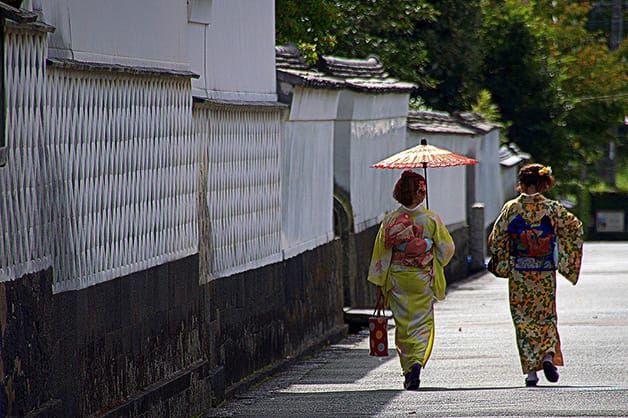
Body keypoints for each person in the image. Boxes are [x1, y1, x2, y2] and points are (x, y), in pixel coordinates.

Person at [488, 163, 584, 387]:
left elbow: (497, 238)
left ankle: (531, 372)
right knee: (546, 317)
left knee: (523, 321)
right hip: (544, 273)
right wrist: (563, 258)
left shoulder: (511, 208)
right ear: (543, 183)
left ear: (521, 183)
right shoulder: (551, 208)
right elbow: (574, 228)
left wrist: (503, 260)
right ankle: (548, 355)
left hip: (520, 274)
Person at [367, 170, 455, 390]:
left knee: (403, 325)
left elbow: (381, 253)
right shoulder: (431, 218)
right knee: (423, 322)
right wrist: (428, 247)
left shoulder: (390, 220)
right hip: (422, 277)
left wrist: (380, 282)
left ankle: (408, 368)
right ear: (420, 193)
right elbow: (447, 249)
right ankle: (417, 361)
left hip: (398, 278)